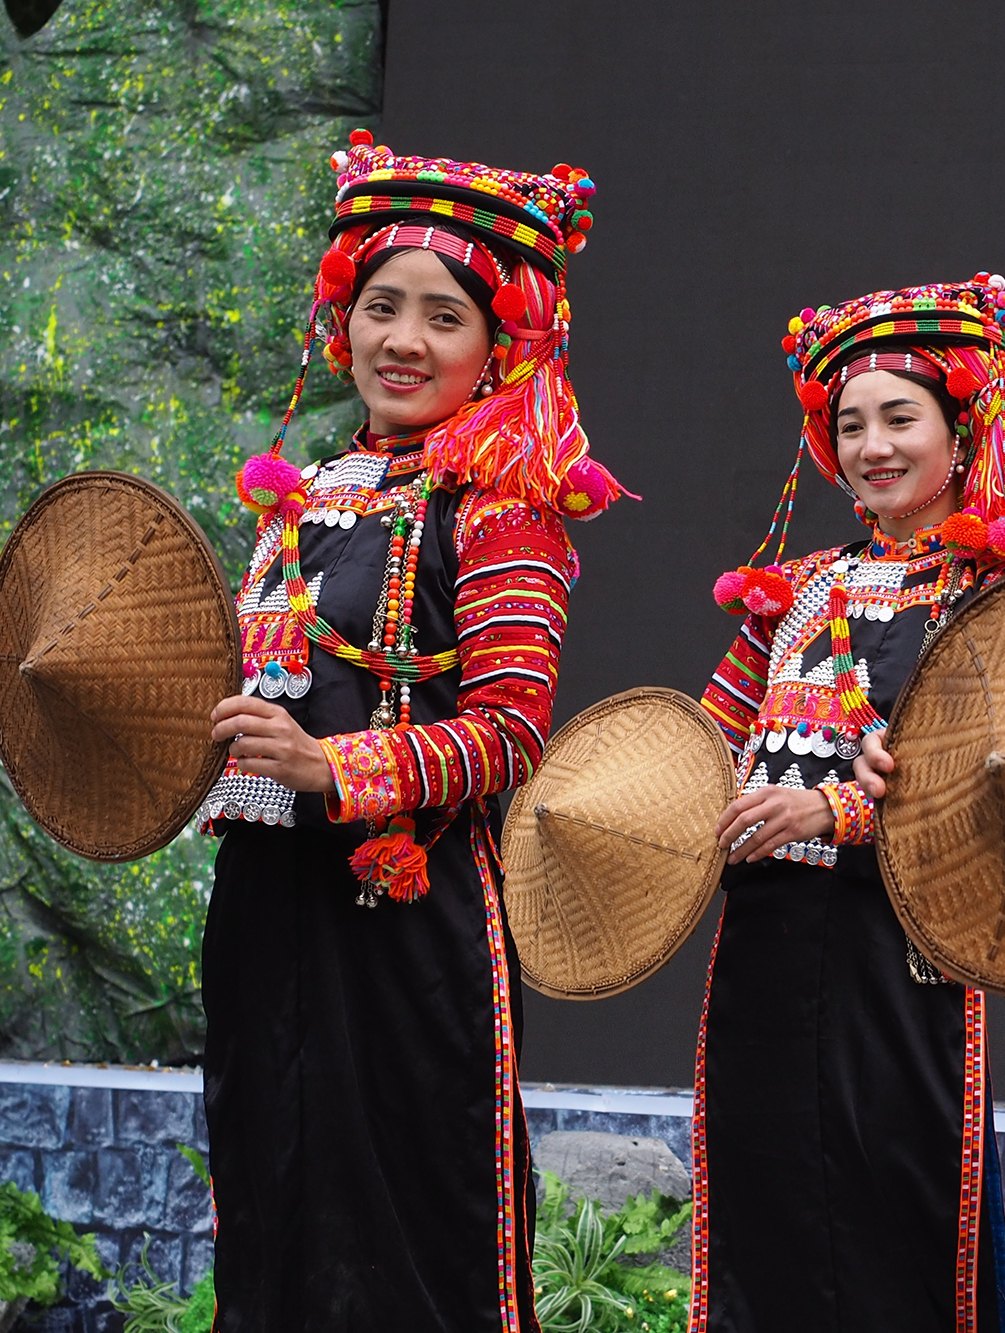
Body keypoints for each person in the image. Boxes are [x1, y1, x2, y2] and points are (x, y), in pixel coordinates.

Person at [198, 131, 622, 1332]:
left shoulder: (503, 506)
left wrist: (333, 766)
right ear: (344, 321)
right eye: (381, 307)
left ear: (501, 345)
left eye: (443, 317)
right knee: (272, 1204)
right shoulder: (309, 489)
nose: (403, 340)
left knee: (410, 1232)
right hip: (269, 899)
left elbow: (508, 731)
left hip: (407, 919)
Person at [695, 274, 1005, 1329]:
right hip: (764, 951)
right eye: (849, 424)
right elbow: (710, 744)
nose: (873, 446)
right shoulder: (796, 588)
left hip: (905, 965)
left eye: (899, 417)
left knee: (898, 1230)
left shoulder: (999, 593)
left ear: (965, 426)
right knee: (766, 1224)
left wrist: (833, 814)